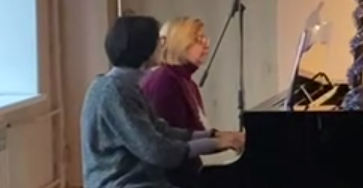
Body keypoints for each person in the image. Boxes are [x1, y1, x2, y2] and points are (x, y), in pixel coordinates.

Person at [80, 15, 244, 188]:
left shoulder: (126, 86)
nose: (163, 45)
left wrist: (214, 135)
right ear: (146, 48)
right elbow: (156, 150)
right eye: (160, 40)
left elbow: (161, 130)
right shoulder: (114, 91)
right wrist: (217, 143)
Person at [142, 16, 246, 188]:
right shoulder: (165, 81)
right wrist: (222, 141)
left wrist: (224, 137)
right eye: (198, 39)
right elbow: (169, 141)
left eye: (205, 38)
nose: (206, 44)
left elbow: (192, 133)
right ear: (179, 42)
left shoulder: (183, 80)